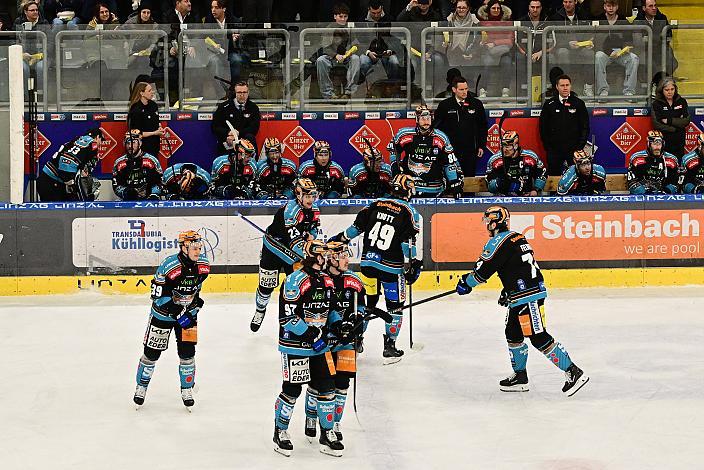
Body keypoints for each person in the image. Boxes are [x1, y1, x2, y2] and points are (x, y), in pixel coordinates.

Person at [455, 205, 589, 397]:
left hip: (528, 296)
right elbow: (517, 266)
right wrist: (507, 288)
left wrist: (465, 283)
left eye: (488, 222)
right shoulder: (517, 237)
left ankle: (573, 372)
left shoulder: (496, 242)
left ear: (494, 222)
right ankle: (520, 377)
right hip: (522, 293)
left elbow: (482, 272)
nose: (487, 226)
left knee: (537, 336)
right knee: (512, 332)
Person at [331, 174, 422, 363]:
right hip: (391, 268)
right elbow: (408, 246)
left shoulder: (374, 204)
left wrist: (337, 240)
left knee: (366, 305)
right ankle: (390, 346)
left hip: (368, 265)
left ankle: (357, 339)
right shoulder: (409, 212)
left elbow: (354, 230)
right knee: (395, 308)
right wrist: (414, 264)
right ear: (409, 190)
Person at [272, 240, 344, 457]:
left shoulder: (326, 281)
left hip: (319, 346)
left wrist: (338, 323)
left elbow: (329, 309)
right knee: (292, 390)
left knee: (327, 387)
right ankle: (280, 431)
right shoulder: (294, 280)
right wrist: (311, 334)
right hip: (295, 345)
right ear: (315, 257)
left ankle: (327, 432)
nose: (327, 258)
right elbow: (287, 317)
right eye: (324, 255)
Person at [133, 230, 210, 409]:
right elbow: (157, 294)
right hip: (163, 314)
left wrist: (194, 307)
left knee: (188, 353)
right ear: (183, 248)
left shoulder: (204, 265)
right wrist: (176, 311)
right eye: (193, 247)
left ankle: (186, 388)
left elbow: (195, 289)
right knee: (151, 353)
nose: (197, 251)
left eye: (199, 247)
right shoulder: (169, 265)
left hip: (188, 314)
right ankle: (141, 386)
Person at [304, 240, 366, 445]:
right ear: (331, 258)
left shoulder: (354, 281)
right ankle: (312, 416)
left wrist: (358, 325)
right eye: (342, 256)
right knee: (319, 384)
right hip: (325, 341)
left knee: (342, 383)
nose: (347, 259)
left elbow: (362, 309)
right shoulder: (320, 280)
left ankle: (334, 422)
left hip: (346, 342)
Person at [251, 178, 321, 332]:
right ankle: (260, 310)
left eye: (312, 196)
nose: (311, 200)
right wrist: (311, 252)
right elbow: (296, 243)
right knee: (266, 286)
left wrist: (312, 236)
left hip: (293, 255)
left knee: (297, 285)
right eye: (307, 196)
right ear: (298, 195)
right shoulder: (290, 211)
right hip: (274, 249)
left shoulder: (314, 209)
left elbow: (314, 228)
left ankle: (295, 316)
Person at [389, 104, 463, 198]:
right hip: (409, 187)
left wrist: (454, 182)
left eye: (428, 118)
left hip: (434, 188)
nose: (426, 122)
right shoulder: (404, 134)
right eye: (423, 119)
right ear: (417, 119)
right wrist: (395, 167)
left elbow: (449, 162)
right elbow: (393, 151)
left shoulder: (441, 137)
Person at [434, 76, 488, 180]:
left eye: (466, 89)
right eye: (461, 89)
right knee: (452, 178)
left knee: (469, 179)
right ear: (454, 90)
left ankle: (469, 196)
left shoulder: (476, 104)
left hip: (470, 150)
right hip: (451, 151)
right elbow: (437, 128)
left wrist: (481, 145)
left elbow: (483, 126)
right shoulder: (445, 105)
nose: (465, 92)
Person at [539, 74, 590, 176]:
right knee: (554, 177)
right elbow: (543, 128)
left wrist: (579, 147)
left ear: (570, 86)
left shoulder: (578, 103)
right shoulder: (549, 104)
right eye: (562, 85)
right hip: (554, 151)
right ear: (557, 87)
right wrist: (549, 147)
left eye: (567, 85)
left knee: (575, 178)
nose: (565, 88)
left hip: (574, 151)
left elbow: (585, 127)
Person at [37, 128, 104, 202]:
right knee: (60, 211)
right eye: (101, 140)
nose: (100, 143)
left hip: (45, 178)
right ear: (97, 137)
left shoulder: (75, 139)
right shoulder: (93, 145)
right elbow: (73, 169)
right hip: (53, 183)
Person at [593, 0, 639, 100]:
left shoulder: (624, 20)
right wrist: (610, 52)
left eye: (613, 6)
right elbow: (598, 41)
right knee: (598, 56)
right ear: (604, 6)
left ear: (617, 7)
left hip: (620, 54)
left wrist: (623, 49)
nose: (610, 8)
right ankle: (603, 91)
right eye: (608, 6)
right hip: (606, 53)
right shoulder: (598, 20)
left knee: (634, 58)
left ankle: (629, 91)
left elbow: (629, 40)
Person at [316, 3, 361, 101]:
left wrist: (350, 51)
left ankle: (348, 93)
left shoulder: (350, 28)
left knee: (356, 58)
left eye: (345, 16)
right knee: (320, 60)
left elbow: (356, 44)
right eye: (340, 16)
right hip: (331, 57)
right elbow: (325, 47)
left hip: (346, 57)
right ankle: (328, 95)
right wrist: (335, 55)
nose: (343, 19)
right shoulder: (329, 28)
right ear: (335, 16)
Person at [550, 0, 594, 97]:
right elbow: (554, 38)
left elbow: (589, 33)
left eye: (570, 2)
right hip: (563, 47)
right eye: (565, 2)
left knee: (589, 53)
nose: (567, 4)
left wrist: (587, 42)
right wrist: (567, 43)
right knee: (563, 52)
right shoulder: (556, 17)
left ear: (575, 2)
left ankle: (588, 87)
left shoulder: (584, 14)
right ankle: (565, 87)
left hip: (581, 46)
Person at [486, 130, 547, 196]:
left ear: (516, 146)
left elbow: (542, 173)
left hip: (526, 197)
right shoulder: (495, 160)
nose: (504, 149)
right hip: (502, 198)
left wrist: (536, 190)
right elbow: (489, 183)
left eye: (507, 146)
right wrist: (498, 183)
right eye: (503, 146)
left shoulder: (530, 157)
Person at [476, 0, 514, 98]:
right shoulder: (482, 22)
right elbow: (480, 37)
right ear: (489, 9)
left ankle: (505, 90)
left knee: (507, 63)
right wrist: (482, 43)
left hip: (504, 50)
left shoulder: (507, 21)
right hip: (488, 51)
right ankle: (483, 90)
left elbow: (510, 40)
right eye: (493, 8)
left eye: (498, 8)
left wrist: (495, 43)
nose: (496, 10)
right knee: (487, 63)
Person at [112, 130, 164, 200]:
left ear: (140, 143)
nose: (130, 146)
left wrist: (153, 193)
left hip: (149, 201)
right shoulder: (119, 163)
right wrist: (126, 192)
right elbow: (116, 186)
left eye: (133, 142)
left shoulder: (151, 160)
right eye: (128, 143)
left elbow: (161, 182)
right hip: (129, 201)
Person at [212, 81, 261, 155]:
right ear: (235, 93)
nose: (242, 95)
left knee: (250, 137)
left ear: (248, 93)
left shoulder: (253, 108)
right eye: (239, 92)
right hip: (228, 141)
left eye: (244, 92)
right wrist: (228, 133)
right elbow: (215, 127)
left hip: (246, 142)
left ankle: (251, 164)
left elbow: (254, 128)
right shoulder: (223, 107)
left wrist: (238, 133)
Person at [627, 130, 680, 195]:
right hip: (642, 195)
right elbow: (631, 181)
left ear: (663, 144)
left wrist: (667, 190)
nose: (657, 147)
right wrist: (643, 192)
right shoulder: (637, 158)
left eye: (659, 144)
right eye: (654, 144)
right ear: (649, 144)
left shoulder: (671, 160)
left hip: (664, 196)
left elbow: (676, 182)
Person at [651, 76, 689, 160]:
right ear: (661, 90)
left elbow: (686, 120)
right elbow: (657, 124)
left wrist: (668, 120)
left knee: (678, 165)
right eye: (667, 90)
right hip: (664, 140)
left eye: (672, 89)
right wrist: (675, 129)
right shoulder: (656, 104)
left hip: (679, 139)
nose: (670, 92)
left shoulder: (682, 101)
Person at [635, 0, 676, 76]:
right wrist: (659, 37)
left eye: (655, 5)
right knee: (651, 64)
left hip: (660, 48)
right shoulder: (638, 21)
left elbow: (669, 34)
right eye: (650, 6)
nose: (654, 8)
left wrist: (654, 39)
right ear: (644, 8)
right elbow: (639, 40)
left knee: (672, 62)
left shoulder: (662, 18)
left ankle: (664, 80)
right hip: (645, 50)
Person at [128, 82, 164, 159]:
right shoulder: (136, 109)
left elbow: (157, 121)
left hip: (155, 146)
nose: (152, 92)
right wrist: (154, 133)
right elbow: (136, 133)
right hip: (142, 148)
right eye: (149, 90)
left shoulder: (153, 105)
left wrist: (160, 128)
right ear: (142, 93)